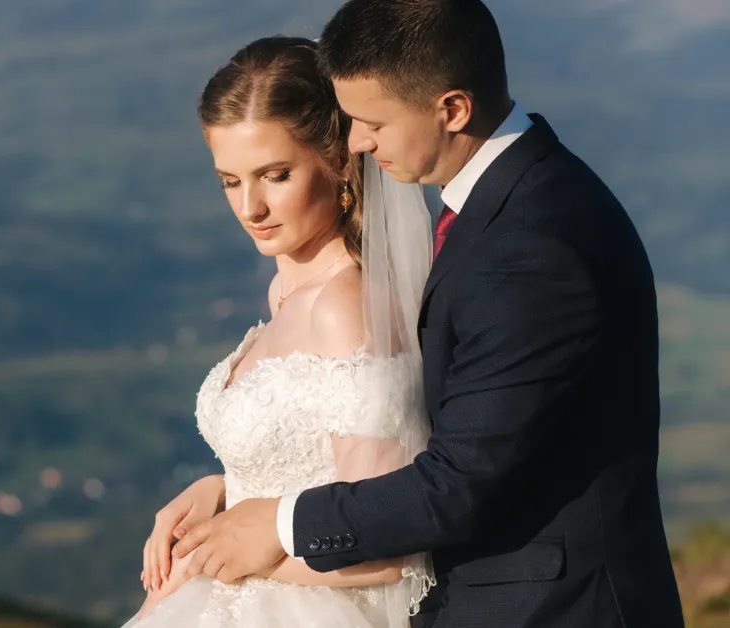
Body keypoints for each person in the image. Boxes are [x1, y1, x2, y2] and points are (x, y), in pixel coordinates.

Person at [169, 1, 685, 627]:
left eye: (373, 123)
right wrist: (233, 490)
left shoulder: (531, 243)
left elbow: (459, 481)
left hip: (550, 609)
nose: (356, 143)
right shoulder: (507, 203)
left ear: (452, 109)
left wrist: (274, 523)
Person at [124, 35, 436, 627]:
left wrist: (228, 552)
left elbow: (393, 549)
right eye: (230, 181)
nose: (251, 208)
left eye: (275, 175)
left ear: (340, 160)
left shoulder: (344, 307)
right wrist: (222, 490)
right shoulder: (286, 290)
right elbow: (309, 463)